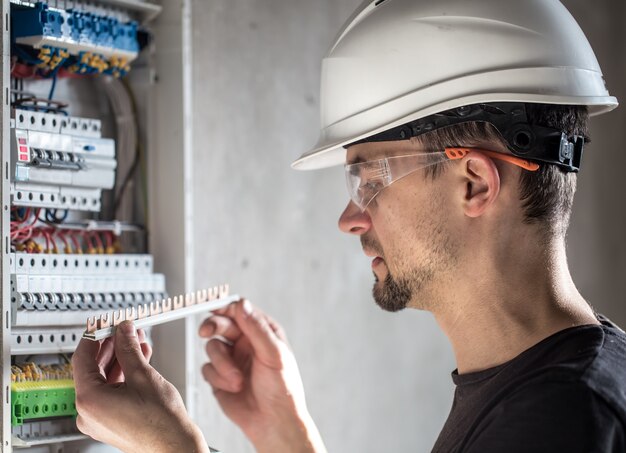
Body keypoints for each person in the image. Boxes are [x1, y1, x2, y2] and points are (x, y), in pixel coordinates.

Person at [72, 0, 626, 452]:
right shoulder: (553, 392)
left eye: (370, 180)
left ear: (474, 184)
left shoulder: (562, 420)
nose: (350, 218)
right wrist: (289, 439)